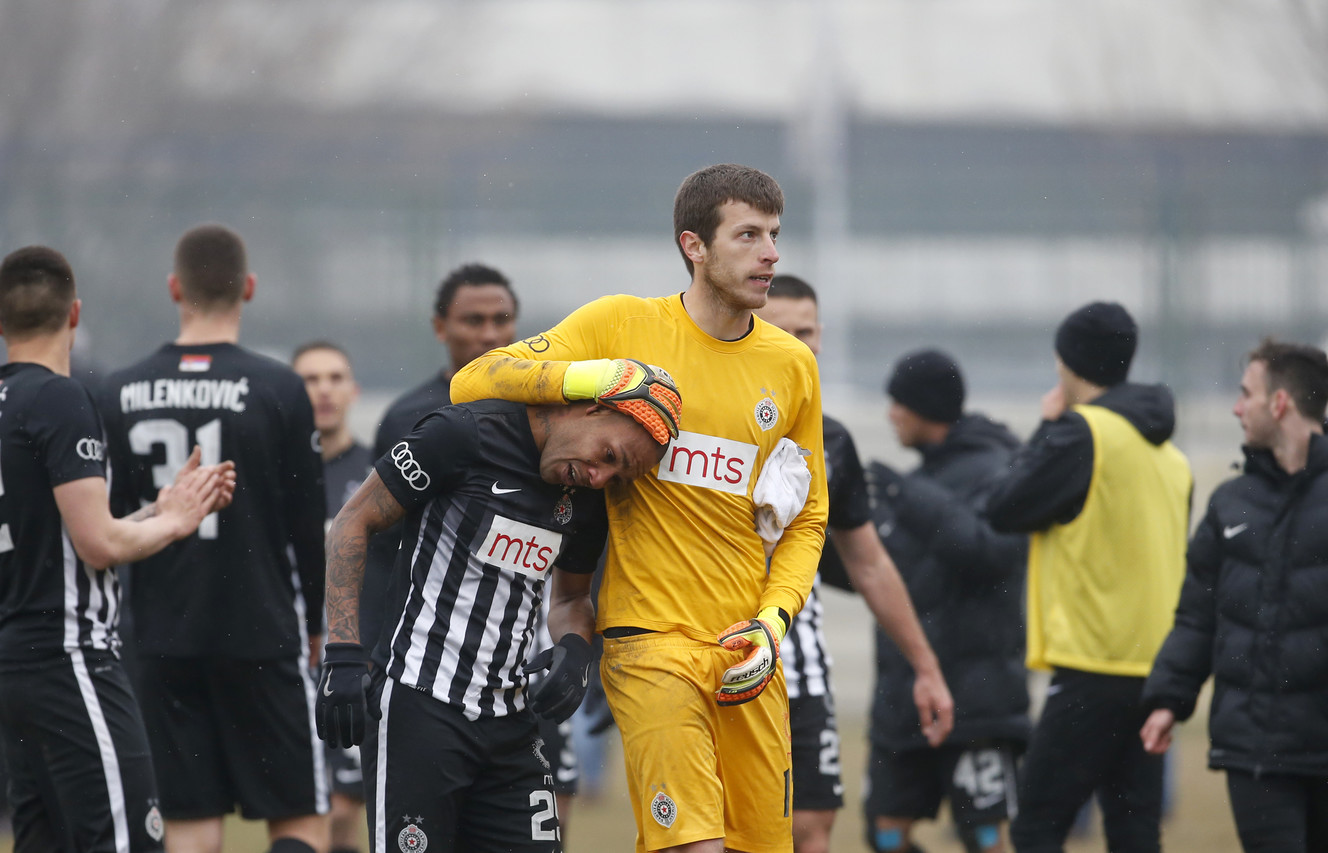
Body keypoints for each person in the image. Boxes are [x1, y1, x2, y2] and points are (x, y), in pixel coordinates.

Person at [451, 163, 835, 853]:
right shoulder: (622, 323)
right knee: (695, 845)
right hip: (648, 641)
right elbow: (474, 378)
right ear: (695, 245)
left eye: (775, 234)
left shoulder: (791, 366)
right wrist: (595, 376)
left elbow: (807, 517)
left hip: (748, 649)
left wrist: (775, 620)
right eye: (748, 235)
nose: (771, 253)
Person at [316, 359, 683, 853]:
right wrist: (341, 653)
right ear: (593, 407)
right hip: (419, 707)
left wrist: (575, 652)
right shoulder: (462, 434)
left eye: (618, 473)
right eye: (608, 454)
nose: (600, 476)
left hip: (511, 718)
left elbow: (571, 597)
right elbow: (351, 522)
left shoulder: (586, 494)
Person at [100, 225, 330, 853]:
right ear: (248, 289)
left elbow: (111, 520)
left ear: (175, 288)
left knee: (190, 827)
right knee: (298, 821)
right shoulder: (279, 386)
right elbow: (309, 523)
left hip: (160, 635)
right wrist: (317, 620)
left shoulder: (118, 390)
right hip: (260, 629)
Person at [0, 245, 235, 853]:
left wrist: (158, 508)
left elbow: (53, 538)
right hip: (69, 659)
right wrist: (176, 523)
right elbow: (98, 544)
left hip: (15, 666)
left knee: (44, 841)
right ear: (74, 314)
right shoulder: (60, 397)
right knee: (127, 841)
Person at [754, 276, 955, 853]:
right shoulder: (701, 423)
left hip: (800, 671)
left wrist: (926, 667)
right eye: (779, 330)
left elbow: (868, 564)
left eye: (806, 332)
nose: (796, 344)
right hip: (709, 661)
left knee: (811, 830)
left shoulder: (832, 442)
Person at [985, 301, 1191, 853]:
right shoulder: (1170, 454)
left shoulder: (1083, 434)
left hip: (1091, 667)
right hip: (1153, 670)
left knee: (1036, 825)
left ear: (1069, 364)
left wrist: (1048, 424)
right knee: (1133, 829)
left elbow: (1004, 506)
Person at [1140, 339, 1328, 851]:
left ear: (1280, 403)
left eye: (1246, 393)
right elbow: (1197, 615)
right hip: (1256, 751)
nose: (1236, 406)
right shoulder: (1230, 504)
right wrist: (1167, 699)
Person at [865, 349, 1030, 853]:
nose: (891, 413)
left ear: (925, 407)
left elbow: (990, 551)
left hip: (976, 704)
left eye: (899, 402)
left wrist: (904, 497)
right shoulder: (914, 484)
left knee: (984, 838)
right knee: (886, 833)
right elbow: (877, 574)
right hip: (903, 702)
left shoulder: (1000, 469)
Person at [292, 341, 375, 853]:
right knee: (304, 808)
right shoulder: (277, 475)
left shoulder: (378, 472)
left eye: (334, 377)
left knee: (344, 810)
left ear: (353, 391)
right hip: (285, 662)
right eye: (309, 379)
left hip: (348, 663)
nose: (323, 389)